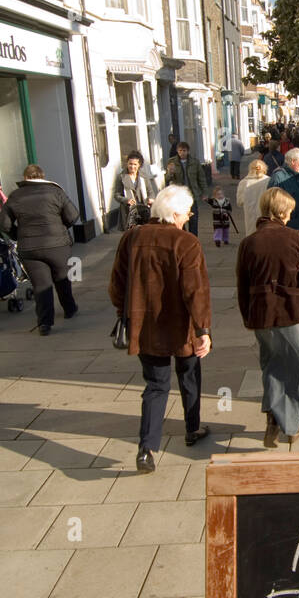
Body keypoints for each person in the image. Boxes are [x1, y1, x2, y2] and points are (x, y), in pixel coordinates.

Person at [109, 184, 212, 473]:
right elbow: (196, 292)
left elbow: (116, 284)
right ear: (176, 212)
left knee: (155, 386)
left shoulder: (132, 238)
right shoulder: (186, 242)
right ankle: (191, 429)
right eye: (188, 212)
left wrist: (125, 313)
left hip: (145, 326)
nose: (189, 217)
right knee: (189, 375)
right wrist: (204, 329)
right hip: (182, 326)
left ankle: (146, 449)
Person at [236, 187, 299, 448]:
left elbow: (242, 286)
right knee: (297, 367)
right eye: (290, 212)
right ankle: (292, 424)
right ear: (282, 211)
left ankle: (274, 416)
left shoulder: (248, 243)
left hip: (262, 312)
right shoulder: (296, 237)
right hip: (295, 311)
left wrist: (248, 316)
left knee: (272, 367)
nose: (290, 216)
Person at [0, 164, 79, 335]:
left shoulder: (15, 196)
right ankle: (69, 308)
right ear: (43, 176)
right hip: (57, 244)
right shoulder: (56, 192)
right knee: (62, 278)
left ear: (25, 178)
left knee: (41, 285)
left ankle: (44, 323)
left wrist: (17, 235)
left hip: (30, 248)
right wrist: (61, 227)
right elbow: (73, 216)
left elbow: (3, 224)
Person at [165, 142, 208, 236]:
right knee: (181, 219)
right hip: (179, 196)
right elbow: (167, 180)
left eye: (184, 150)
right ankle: (183, 238)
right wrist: (170, 173)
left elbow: (201, 178)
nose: (182, 153)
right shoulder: (172, 162)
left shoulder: (194, 162)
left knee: (193, 218)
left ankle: (193, 238)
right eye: (180, 150)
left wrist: (204, 193)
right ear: (177, 151)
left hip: (192, 195)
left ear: (188, 151)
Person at [267, 147, 299, 234]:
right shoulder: (278, 177)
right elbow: (271, 205)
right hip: (287, 227)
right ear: (293, 161)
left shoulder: (297, 176)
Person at [114, 151, 156, 231]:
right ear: (127, 163)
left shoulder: (144, 176)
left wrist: (151, 198)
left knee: (143, 234)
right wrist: (126, 200)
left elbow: (150, 192)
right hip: (128, 212)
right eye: (130, 164)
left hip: (143, 210)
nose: (132, 166)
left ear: (139, 165)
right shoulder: (121, 177)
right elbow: (117, 195)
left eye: (135, 164)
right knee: (131, 236)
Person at [237, 158, 269, 236]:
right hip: (265, 215)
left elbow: (240, 202)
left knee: (251, 236)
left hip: (250, 215)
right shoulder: (269, 181)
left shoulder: (244, 182)